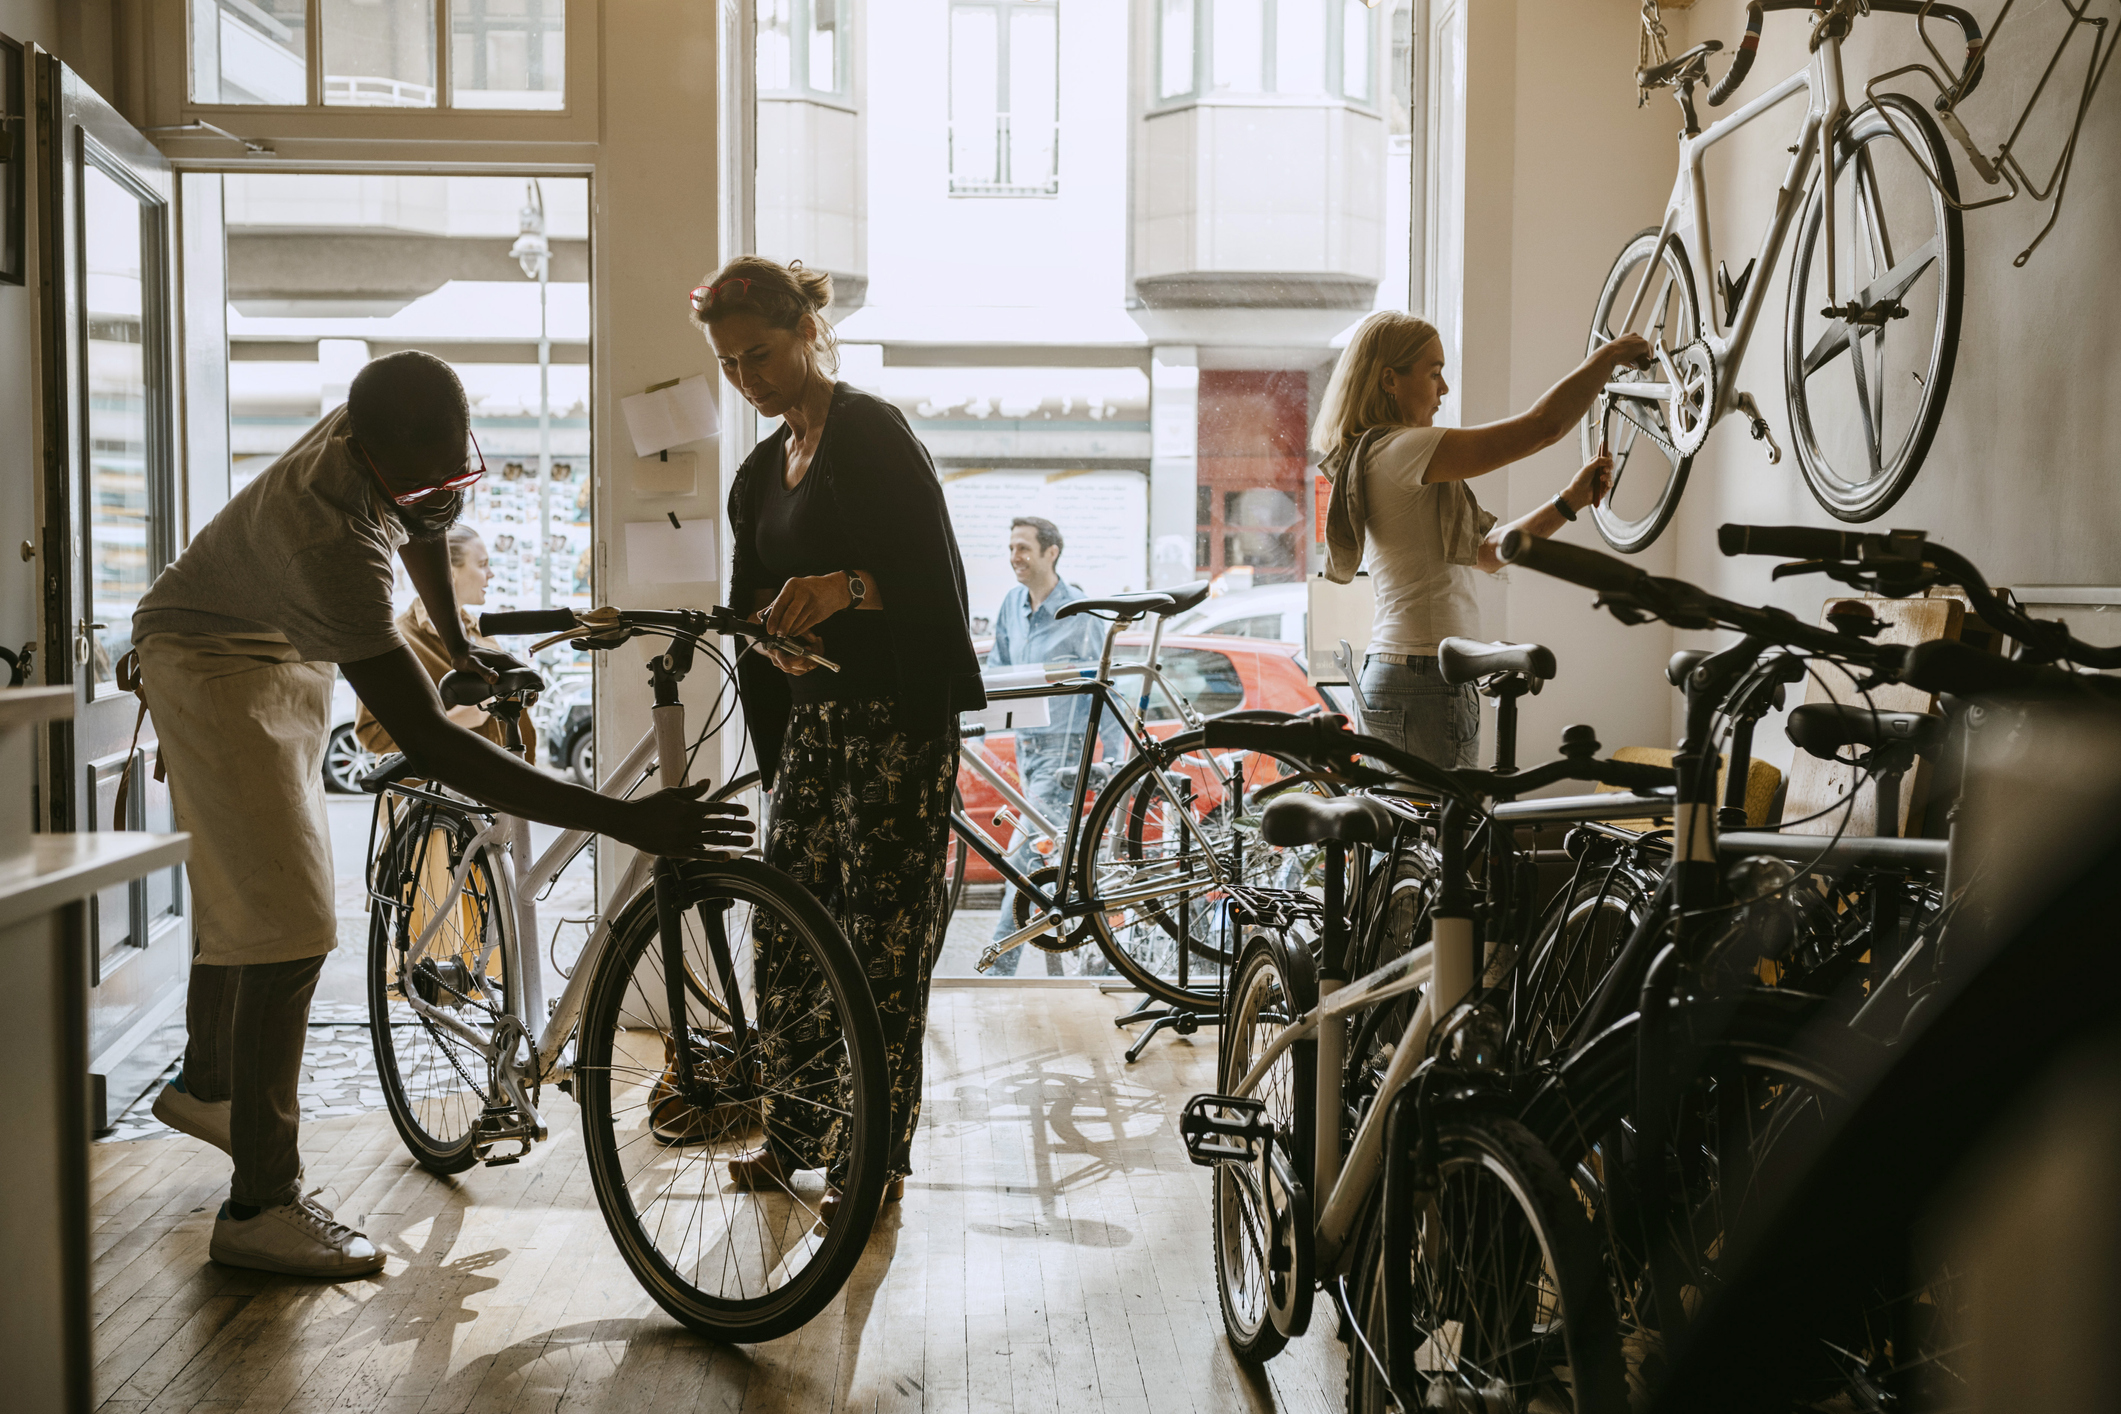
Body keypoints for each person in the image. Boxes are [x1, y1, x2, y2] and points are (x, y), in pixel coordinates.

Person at [134, 352, 748, 1280]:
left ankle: (213, 1086)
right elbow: (432, 745)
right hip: (208, 656)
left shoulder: (394, 454)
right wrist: (624, 822)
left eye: (459, 477)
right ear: (365, 449)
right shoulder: (325, 539)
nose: (443, 498)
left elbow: (419, 518)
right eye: (422, 484)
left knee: (252, 891)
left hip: (274, 642)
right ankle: (259, 1208)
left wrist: (458, 643)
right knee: (287, 924)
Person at [696, 255, 984, 1217]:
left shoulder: (870, 433)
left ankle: (874, 1158)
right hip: (815, 730)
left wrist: (846, 588)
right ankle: (792, 1132)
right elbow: (744, 605)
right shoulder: (754, 474)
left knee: (881, 943)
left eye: (761, 354)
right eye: (731, 365)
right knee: (788, 931)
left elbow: (936, 587)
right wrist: (765, 640)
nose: (750, 379)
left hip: (896, 727)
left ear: (808, 333)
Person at [1313, 313, 1652, 768]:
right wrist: (1608, 356)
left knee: (1415, 837)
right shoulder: (1403, 450)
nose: (1444, 389)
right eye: (1434, 373)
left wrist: (1569, 501)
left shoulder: (1378, 455)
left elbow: (1489, 554)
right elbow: (1543, 427)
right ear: (1390, 380)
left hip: (1399, 672)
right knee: (1446, 834)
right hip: (1426, 676)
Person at [983, 516, 1125, 976]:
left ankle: (999, 966)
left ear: (1051, 552)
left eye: (1023, 548)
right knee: (1055, 862)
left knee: (1024, 858)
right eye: (1010, 549)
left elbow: (1102, 683)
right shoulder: (1011, 605)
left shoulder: (1079, 611)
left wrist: (1114, 754)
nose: (1014, 558)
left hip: (1064, 756)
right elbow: (1000, 672)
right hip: (1028, 750)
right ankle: (1081, 967)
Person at [352, 524, 534, 761]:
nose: (491, 573)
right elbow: (372, 735)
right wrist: (454, 721)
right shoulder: (399, 638)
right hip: (433, 794)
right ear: (450, 571)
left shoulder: (478, 631)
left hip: (492, 786)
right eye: (482, 564)